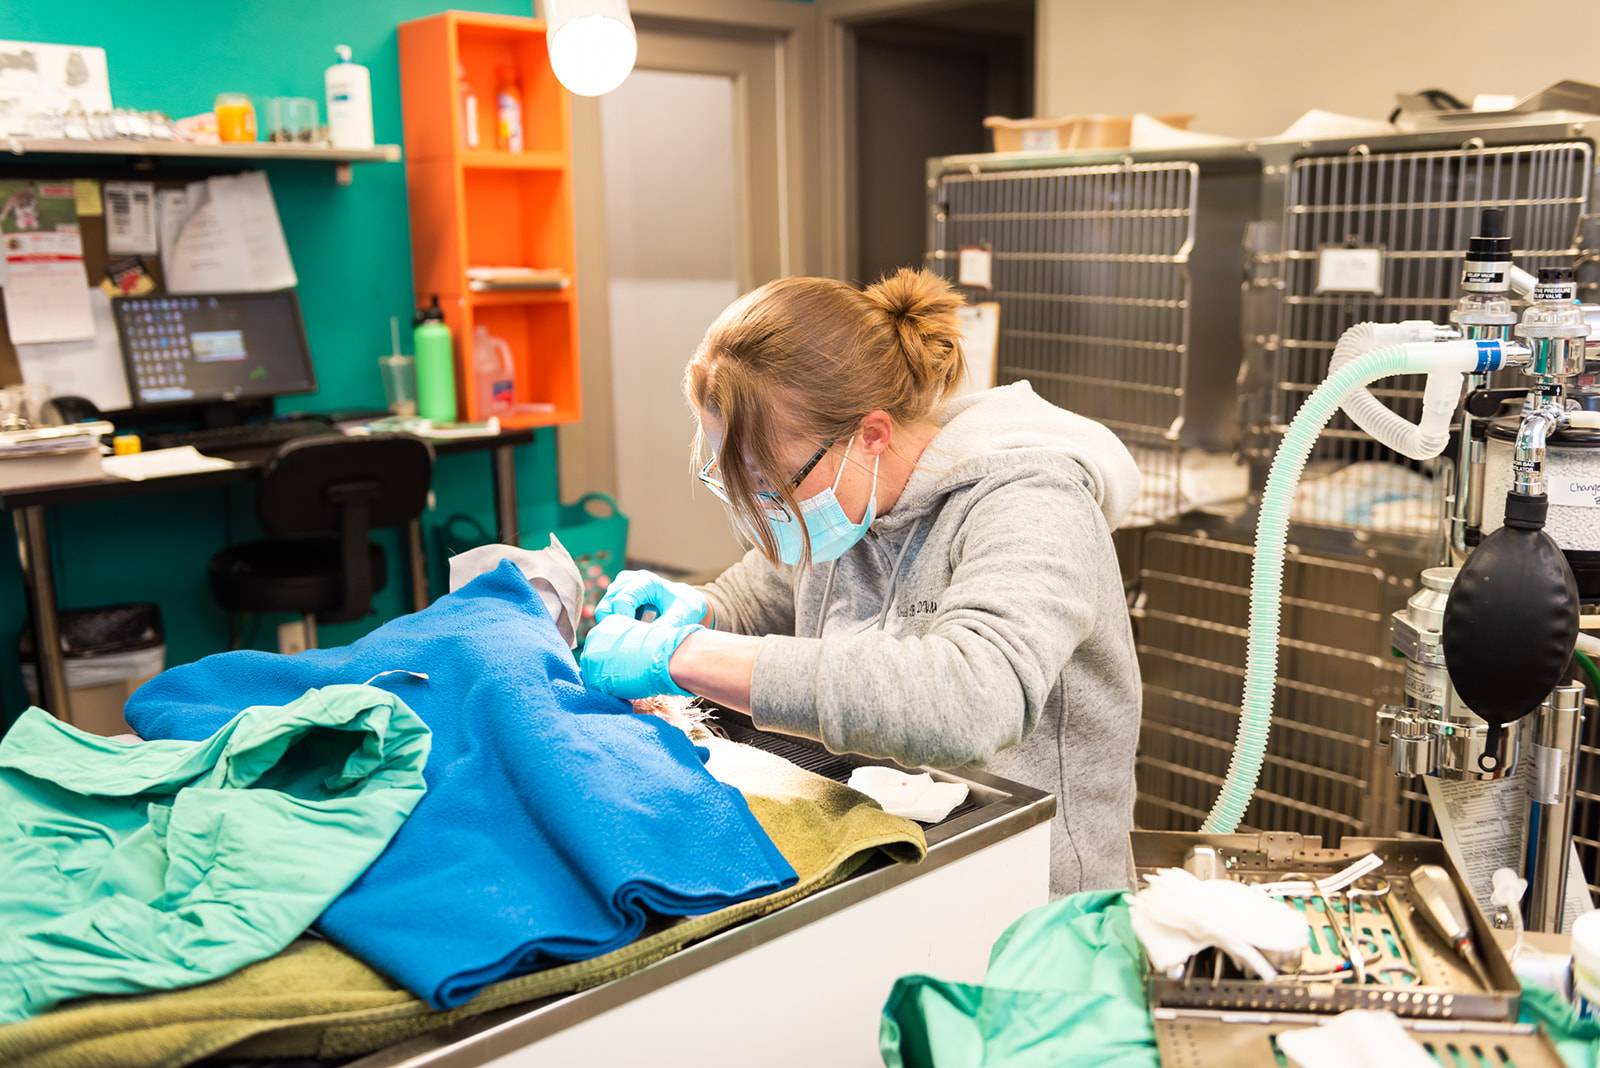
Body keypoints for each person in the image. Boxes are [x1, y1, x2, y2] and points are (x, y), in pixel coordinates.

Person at [579, 268, 1142, 895]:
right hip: (895, 847)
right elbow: (758, 597)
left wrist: (679, 656)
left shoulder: (1032, 502)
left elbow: (974, 698)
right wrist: (690, 611)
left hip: (1033, 890)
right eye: (737, 485)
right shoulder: (842, 503)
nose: (763, 512)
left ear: (870, 434)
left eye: (771, 486)